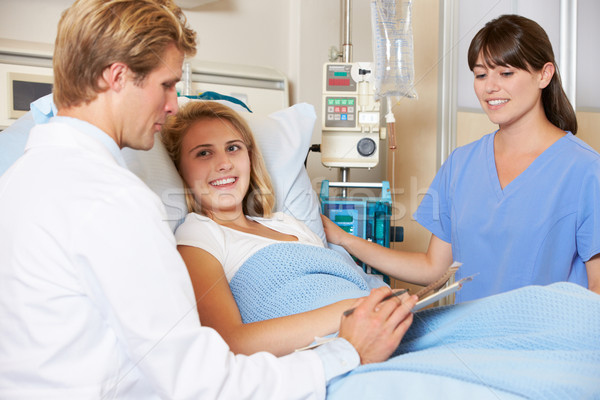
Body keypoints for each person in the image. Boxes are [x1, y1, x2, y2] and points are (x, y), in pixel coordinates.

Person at [0, 0, 417, 398]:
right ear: (117, 76)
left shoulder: (20, 181)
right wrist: (347, 352)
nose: (171, 106)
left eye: (234, 148)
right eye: (166, 86)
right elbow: (202, 383)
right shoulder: (112, 198)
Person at [322, 14, 600, 303]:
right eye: (480, 75)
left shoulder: (586, 170)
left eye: (506, 73)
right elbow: (433, 268)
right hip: (468, 340)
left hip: (542, 343)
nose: (489, 87)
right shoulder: (460, 164)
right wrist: (343, 238)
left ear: (544, 74)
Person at [161, 100, 417, 357]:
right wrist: (353, 309)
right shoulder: (199, 233)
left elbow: (348, 283)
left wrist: (380, 301)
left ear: (249, 158)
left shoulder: (287, 223)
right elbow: (231, 342)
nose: (224, 163)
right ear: (181, 169)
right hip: (337, 350)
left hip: (383, 328)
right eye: (204, 153)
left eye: (233, 148)